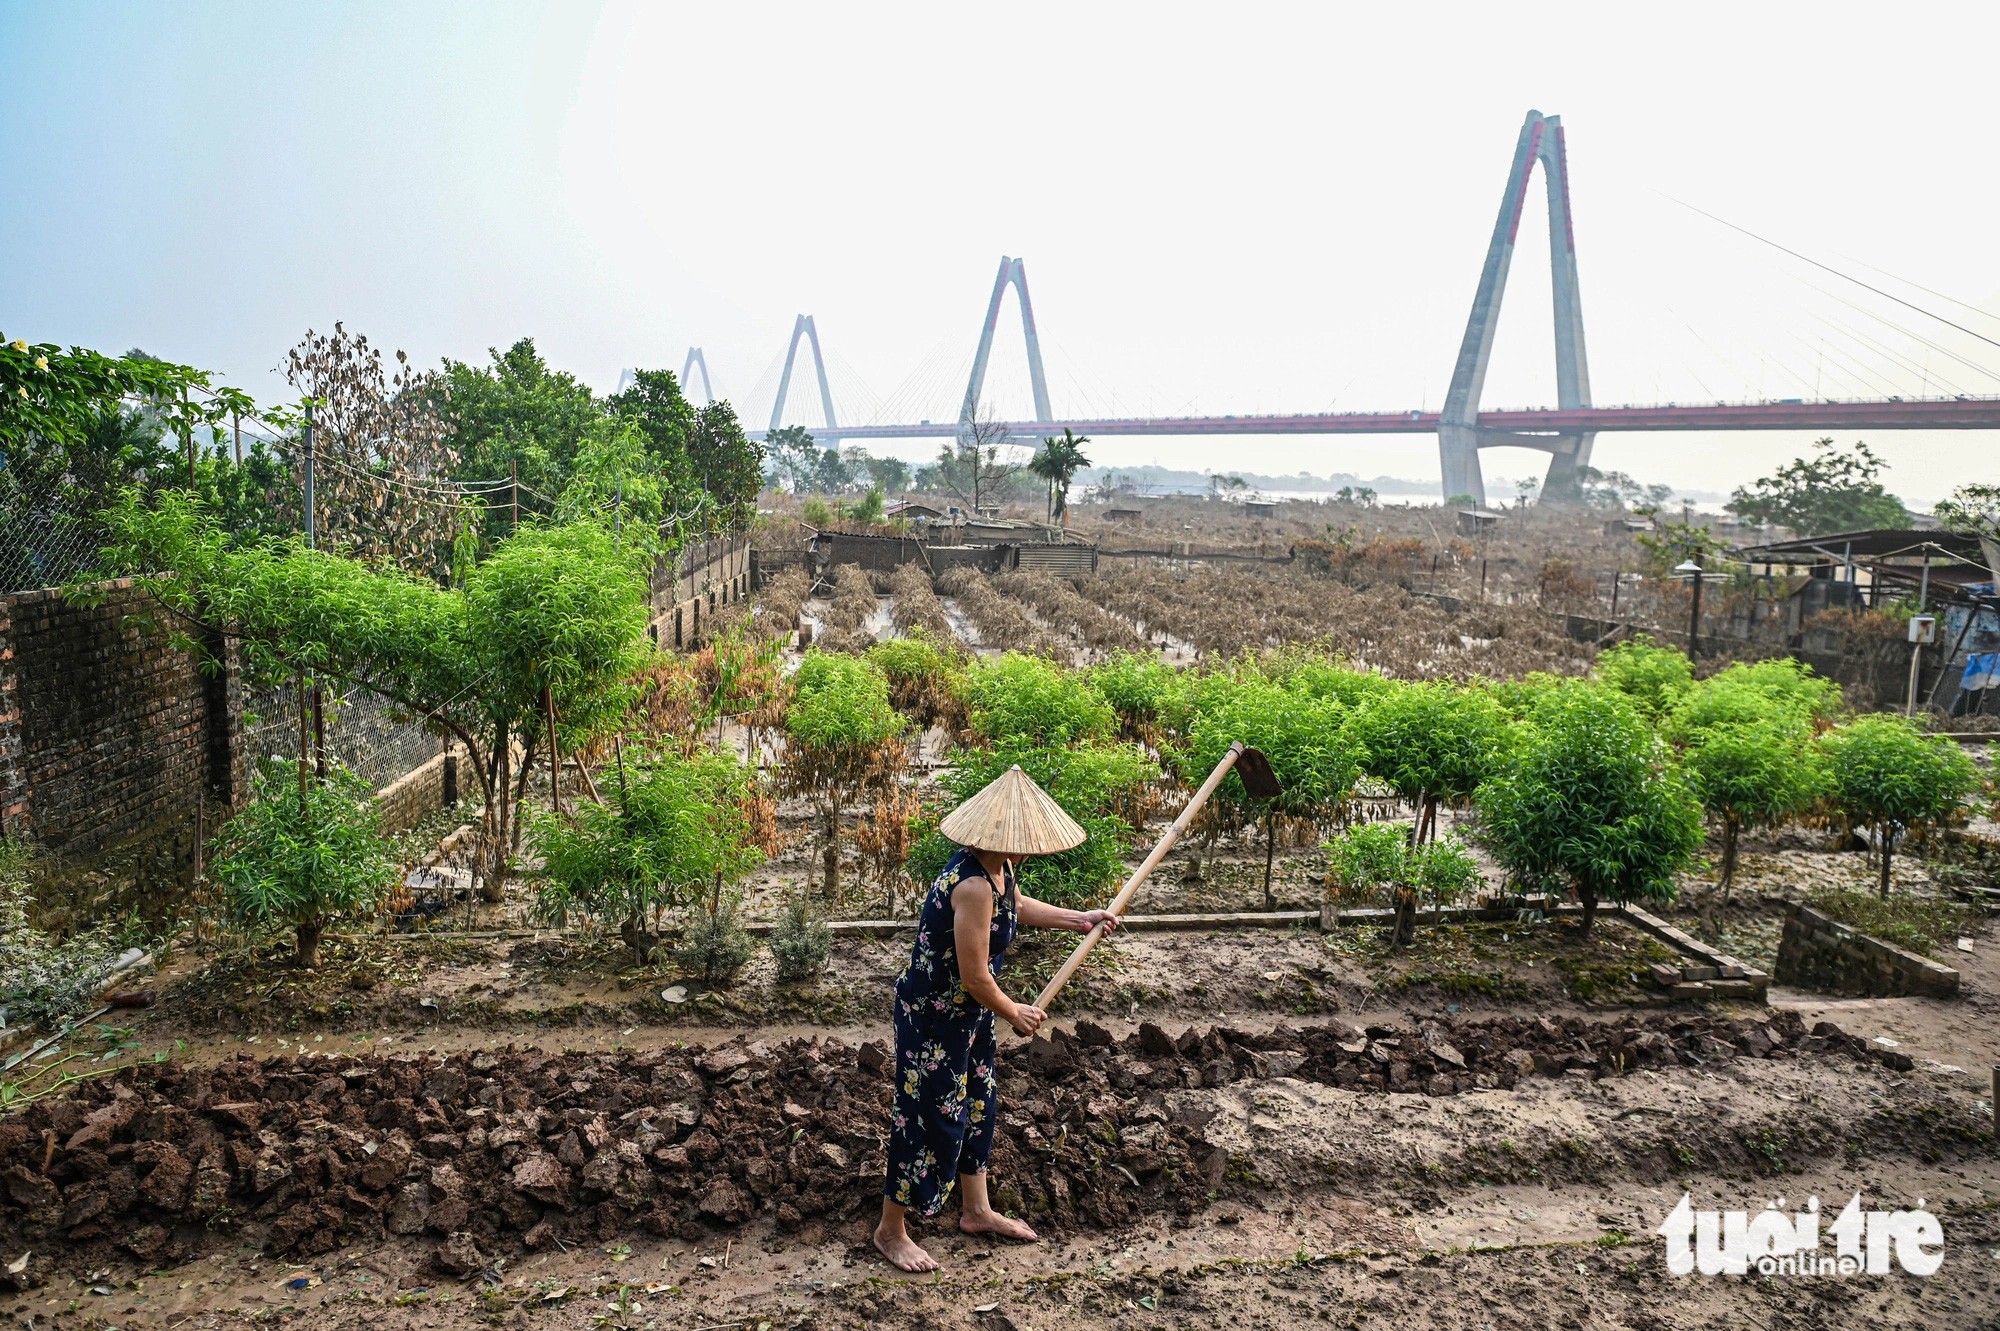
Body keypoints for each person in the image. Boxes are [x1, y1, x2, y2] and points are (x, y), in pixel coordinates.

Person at [872, 765, 1121, 1273]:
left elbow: (1018, 906)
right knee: (926, 1119)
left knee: (979, 1105)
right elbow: (974, 977)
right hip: (935, 1020)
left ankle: (977, 1210)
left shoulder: (997, 870)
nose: (1028, 848)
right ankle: (890, 1230)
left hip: (969, 1019)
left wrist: (1081, 918)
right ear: (1003, 837)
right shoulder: (970, 886)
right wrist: (1017, 1012)